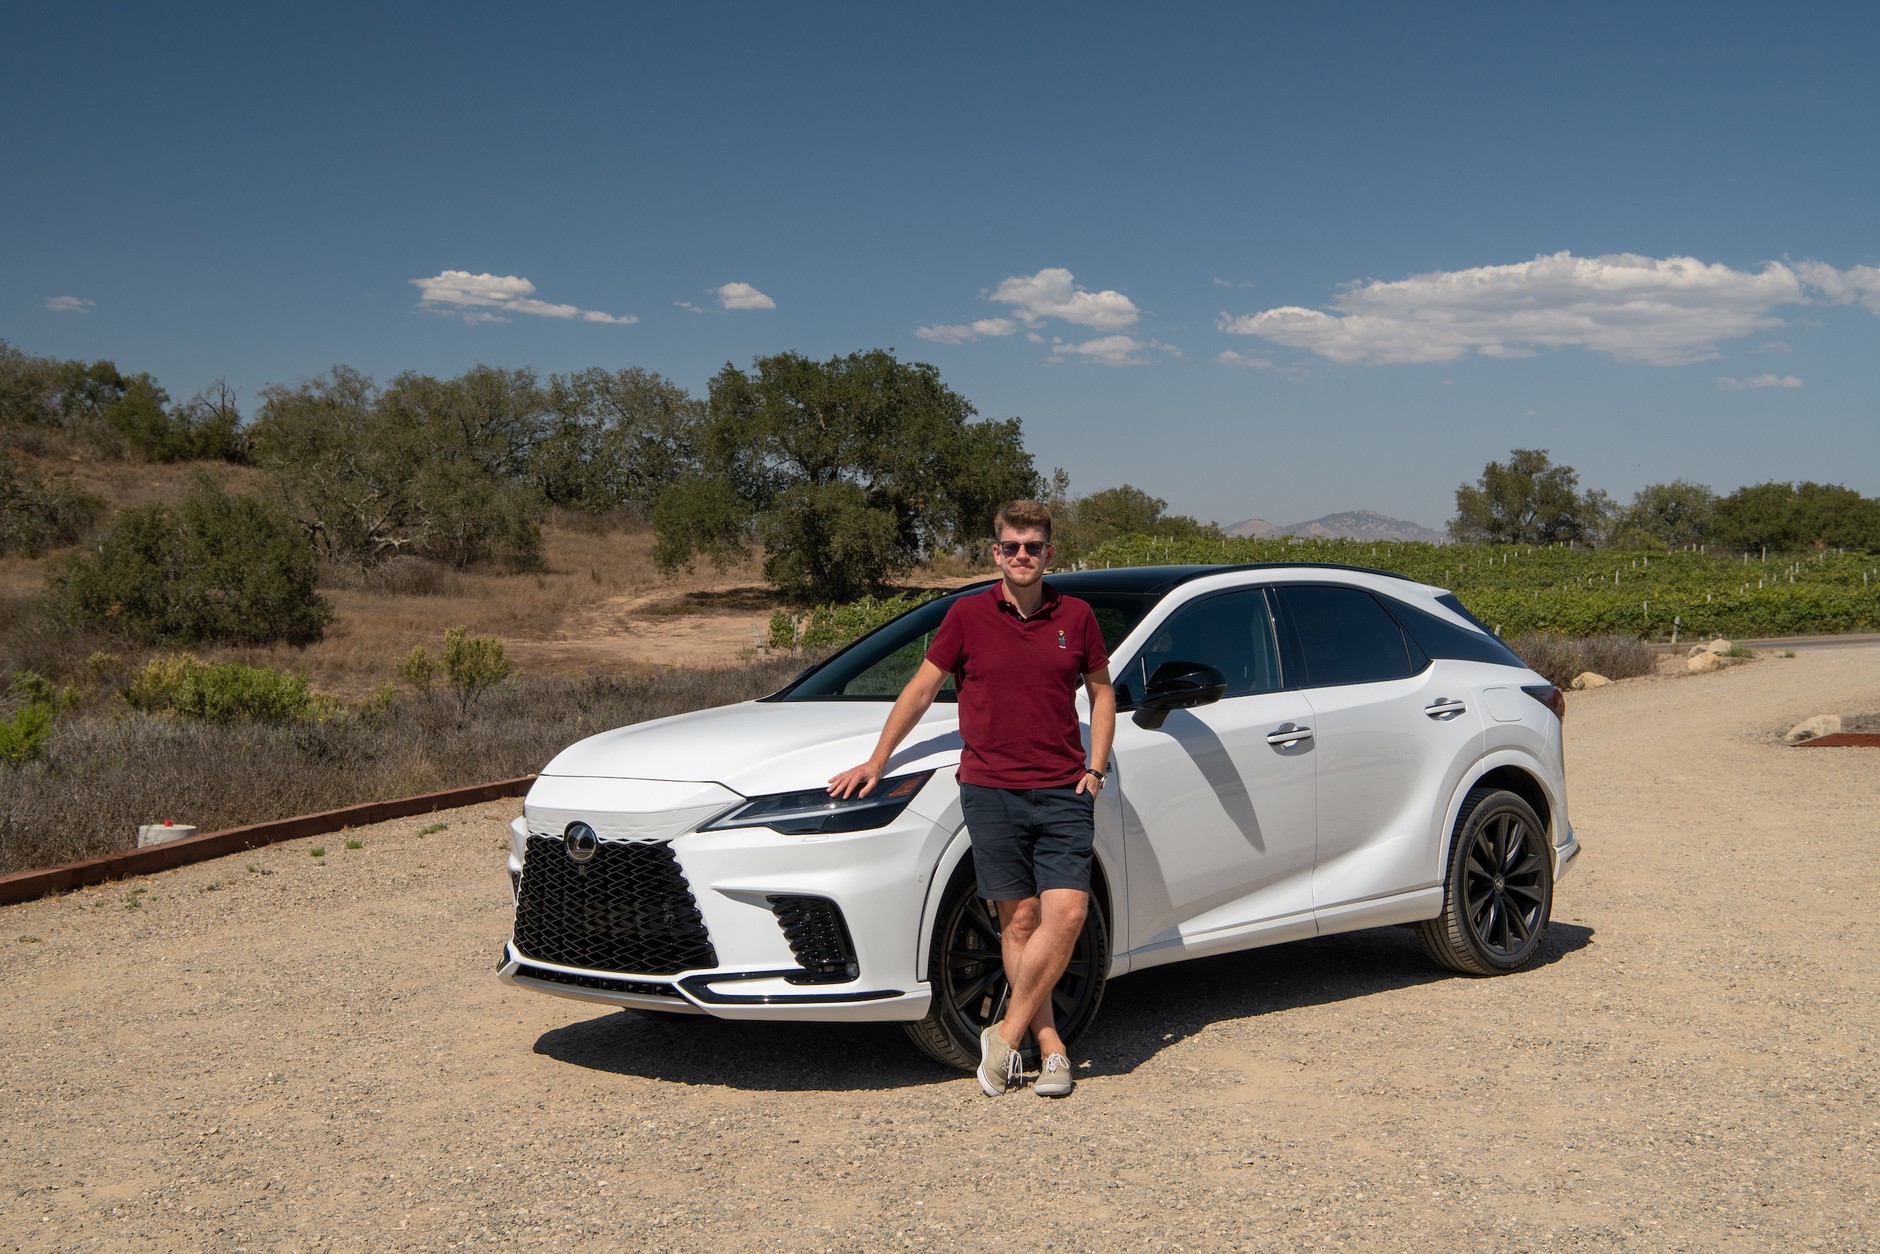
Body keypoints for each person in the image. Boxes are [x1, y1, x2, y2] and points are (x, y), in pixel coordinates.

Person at [828, 499, 1115, 1097]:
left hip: (1063, 787)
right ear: (996, 552)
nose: (1022, 556)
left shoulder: (1078, 616)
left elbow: (1101, 692)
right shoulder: (967, 615)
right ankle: (1051, 1045)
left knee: (1067, 914)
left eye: (1033, 546)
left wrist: (1096, 768)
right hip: (989, 790)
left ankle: (1004, 1037)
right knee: (1020, 921)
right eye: (1011, 546)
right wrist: (878, 760)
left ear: (1048, 552)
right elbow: (920, 687)